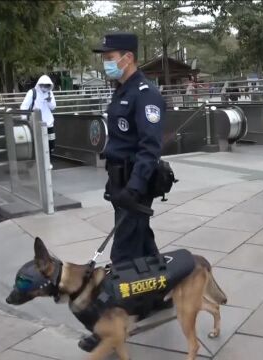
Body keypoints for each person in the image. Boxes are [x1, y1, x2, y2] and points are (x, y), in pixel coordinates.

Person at [78, 32, 165, 352]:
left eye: (109, 57)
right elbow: (119, 144)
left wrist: (134, 187)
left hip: (135, 183)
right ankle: (157, 295)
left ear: (127, 58)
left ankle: (108, 329)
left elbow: (149, 147)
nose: (106, 63)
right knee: (142, 241)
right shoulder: (121, 90)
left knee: (123, 256)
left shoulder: (145, 94)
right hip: (121, 180)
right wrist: (113, 184)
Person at [19, 75, 56, 168]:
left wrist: (49, 101)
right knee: (36, 144)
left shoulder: (50, 93)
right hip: (36, 123)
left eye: (47, 85)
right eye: (43, 85)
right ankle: (34, 163)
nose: (45, 87)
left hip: (49, 124)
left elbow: (53, 107)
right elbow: (24, 106)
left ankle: (48, 162)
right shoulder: (32, 93)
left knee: (51, 144)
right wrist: (24, 121)